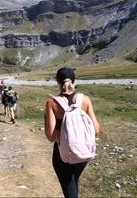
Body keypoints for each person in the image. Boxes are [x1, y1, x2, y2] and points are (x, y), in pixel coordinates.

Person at [44, 67, 100, 198]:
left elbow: (51, 137)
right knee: (73, 183)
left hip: (62, 153)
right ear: (73, 81)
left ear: (57, 83)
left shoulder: (52, 103)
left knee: (70, 189)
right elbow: (96, 130)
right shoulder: (85, 99)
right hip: (83, 151)